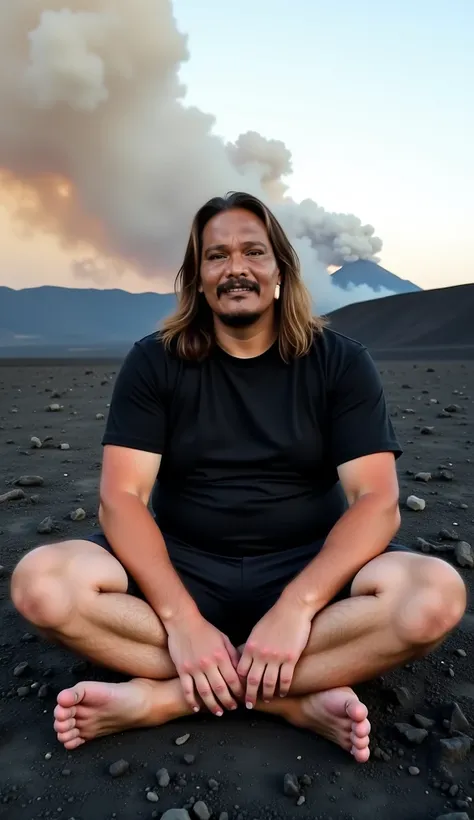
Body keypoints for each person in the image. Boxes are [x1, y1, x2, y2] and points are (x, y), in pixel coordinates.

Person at [11, 191, 466, 762]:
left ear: (280, 269)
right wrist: (180, 619)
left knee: (434, 597)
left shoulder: (340, 362)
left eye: (253, 252)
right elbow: (122, 499)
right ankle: (288, 699)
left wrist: (298, 606)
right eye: (217, 255)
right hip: (181, 565)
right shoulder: (155, 361)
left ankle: (170, 698)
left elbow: (377, 499)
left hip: (312, 569)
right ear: (197, 276)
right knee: (41, 583)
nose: (236, 269)